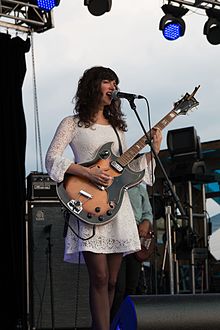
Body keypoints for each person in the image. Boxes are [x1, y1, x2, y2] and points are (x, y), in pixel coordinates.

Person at [45, 66, 162, 330]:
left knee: (112, 281)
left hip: (115, 207)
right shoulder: (72, 123)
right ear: (93, 85)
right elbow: (52, 158)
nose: (113, 86)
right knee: (98, 277)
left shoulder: (118, 129)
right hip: (88, 205)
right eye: (108, 81)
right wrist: (87, 171)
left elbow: (128, 173)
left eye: (116, 82)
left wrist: (154, 149)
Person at [110, 182, 154, 322]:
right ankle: (114, 322)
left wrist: (146, 222)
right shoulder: (114, 185)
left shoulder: (140, 187)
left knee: (132, 286)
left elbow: (148, 212)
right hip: (117, 237)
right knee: (118, 287)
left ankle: (128, 322)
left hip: (135, 240)